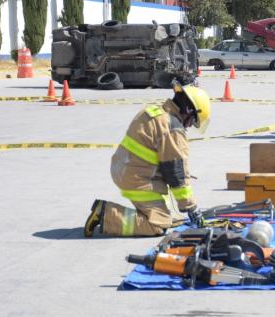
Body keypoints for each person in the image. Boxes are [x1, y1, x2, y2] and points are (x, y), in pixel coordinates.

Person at [84, 83, 211, 237]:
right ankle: (106, 214)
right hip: (136, 179)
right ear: (189, 110)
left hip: (121, 167)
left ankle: (141, 211)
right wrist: (191, 208)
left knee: (163, 210)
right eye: (193, 121)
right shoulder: (173, 128)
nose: (190, 126)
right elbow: (176, 174)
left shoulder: (154, 111)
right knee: (159, 224)